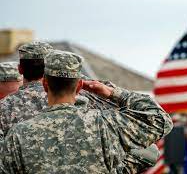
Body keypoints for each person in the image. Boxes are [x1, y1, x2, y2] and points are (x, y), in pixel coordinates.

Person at [2, 50, 173, 173]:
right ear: (79, 87)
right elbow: (160, 120)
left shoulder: (19, 134)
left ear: (45, 85)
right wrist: (113, 93)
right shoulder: (105, 124)